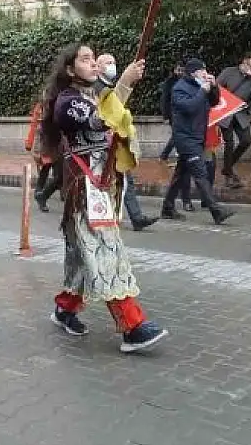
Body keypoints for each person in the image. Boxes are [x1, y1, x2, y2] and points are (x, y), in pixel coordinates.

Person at [41, 43, 168, 352]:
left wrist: (122, 85)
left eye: (93, 58)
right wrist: (122, 82)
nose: (94, 63)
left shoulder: (93, 95)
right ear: (70, 70)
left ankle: (65, 308)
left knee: (85, 252)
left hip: (101, 185)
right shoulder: (68, 102)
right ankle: (132, 326)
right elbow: (101, 119)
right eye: (85, 59)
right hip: (83, 189)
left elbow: (111, 112)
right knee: (105, 249)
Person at [160, 58, 234, 225]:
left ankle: (167, 207)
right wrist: (202, 90)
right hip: (185, 138)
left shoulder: (201, 86)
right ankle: (217, 211)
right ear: (194, 72)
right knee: (200, 173)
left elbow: (214, 102)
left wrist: (213, 87)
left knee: (181, 174)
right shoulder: (179, 88)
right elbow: (190, 107)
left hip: (197, 136)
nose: (205, 74)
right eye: (202, 71)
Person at [94, 54, 158, 231]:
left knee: (124, 179)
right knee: (113, 181)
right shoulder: (96, 87)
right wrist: (125, 81)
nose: (112, 66)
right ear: (97, 67)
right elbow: (110, 111)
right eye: (108, 63)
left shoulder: (105, 86)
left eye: (114, 62)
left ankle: (134, 217)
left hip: (114, 142)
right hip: (102, 144)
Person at [217, 53, 251, 189]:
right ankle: (228, 175)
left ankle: (227, 168)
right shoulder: (229, 72)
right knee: (229, 143)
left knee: (246, 141)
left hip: (240, 115)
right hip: (225, 114)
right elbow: (216, 89)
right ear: (244, 63)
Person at [158, 63, 183, 166]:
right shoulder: (169, 82)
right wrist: (166, 116)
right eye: (179, 70)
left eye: (182, 70)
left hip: (182, 113)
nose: (180, 72)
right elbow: (164, 100)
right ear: (174, 70)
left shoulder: (184, 81)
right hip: (173, 114)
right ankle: (166, 156)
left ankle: (166, 156)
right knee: (177, 136)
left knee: (177, 135)